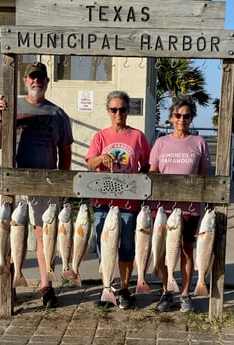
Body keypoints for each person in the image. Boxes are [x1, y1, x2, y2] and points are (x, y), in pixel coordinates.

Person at [0, 62, 73, 309]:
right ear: (25, 81)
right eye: (32, 77)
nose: (36, 81)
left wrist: (62, 183)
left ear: (47, 82)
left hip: (47, 184)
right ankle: (9, 285)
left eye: (41, 78)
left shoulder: (58, 114)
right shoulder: (11, 107)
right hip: (16, 185)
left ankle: (47, 285)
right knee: (14, 235)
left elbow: (65, 152)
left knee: (44, 235)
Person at [85, 90, 151, 309]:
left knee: (127, 246)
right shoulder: (100, 136)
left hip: (128, 203)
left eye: (122, 109)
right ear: (108, 111)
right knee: (105, 247)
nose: (118, 113)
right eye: (114, 109)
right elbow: (90, 163)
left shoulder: (137, 136)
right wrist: (100, 158)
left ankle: (123, 288)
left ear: (128, 111)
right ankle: (107, 287)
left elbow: (148, 164)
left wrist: (138, 180)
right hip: (103, 201)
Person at [149, 95, 211, 313]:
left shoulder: (200, 142)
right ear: (171, 118)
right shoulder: (160, 142)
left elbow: (204, 176)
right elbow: (153, 172)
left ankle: (185, 293)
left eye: (186, 116)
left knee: (186, 251)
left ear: (191, 118)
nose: (182, 119)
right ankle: (166, 292)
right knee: (166, 252)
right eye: (178, 115)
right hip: (164, 210)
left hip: (190, 208)